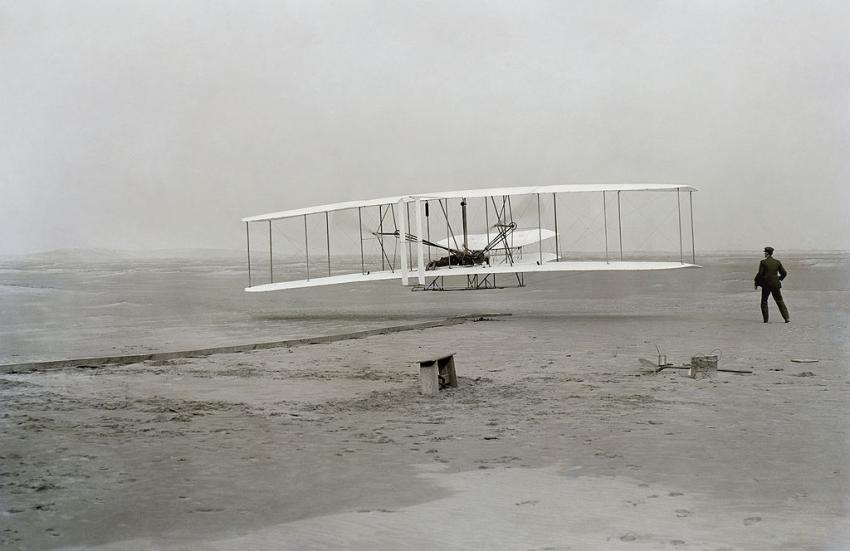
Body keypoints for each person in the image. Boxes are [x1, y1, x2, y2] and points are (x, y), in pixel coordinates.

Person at [754, 246, 790, 323]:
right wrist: (779, 278)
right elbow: (784, 273)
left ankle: (766, 320)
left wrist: (756, 282)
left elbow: (760, 274)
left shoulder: (763, 262)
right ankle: (787, 318)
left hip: (766, 285)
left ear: (767, 253)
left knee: (764, 301)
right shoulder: (777, 262)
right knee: (780, 301)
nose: (764, 253)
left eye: (765, 252)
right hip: (776, 284)